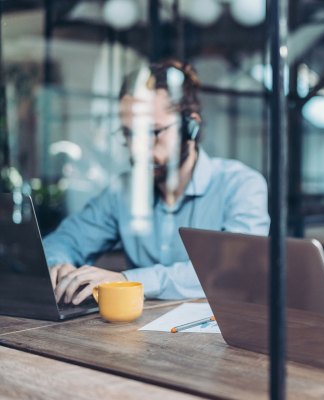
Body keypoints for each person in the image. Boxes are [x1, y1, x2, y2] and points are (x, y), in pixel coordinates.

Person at [44, 60, 270, 305]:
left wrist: (127, 281)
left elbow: (233, 274)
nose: (138, 148)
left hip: (220, 338)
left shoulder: (241, 186)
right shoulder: (123, 191)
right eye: (129, 133)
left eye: (152, 132)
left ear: (190, 126)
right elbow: (63, 241)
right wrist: (59, 265)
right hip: (139, 335)